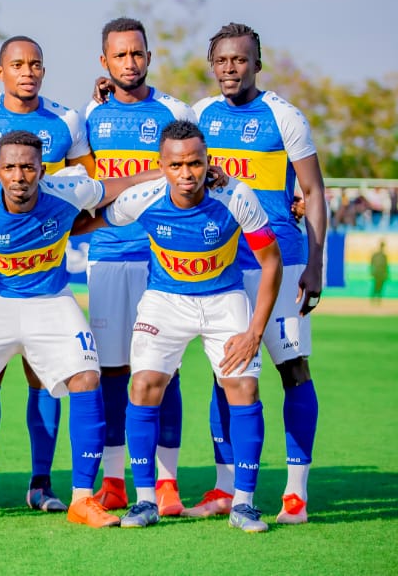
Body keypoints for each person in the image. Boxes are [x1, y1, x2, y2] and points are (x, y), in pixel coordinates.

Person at [0, 130, 160, 527]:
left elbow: (124, 183)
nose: (19, 176)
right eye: (10, 167)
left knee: (86, 376)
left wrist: (169, 172)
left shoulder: (69, 190)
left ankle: (82, 499)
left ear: (43, 170)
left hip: (51, 300)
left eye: (28, 167)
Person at [86, 121, 282, 533]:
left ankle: (243, 504)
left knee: (244, 387)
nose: (187, 174)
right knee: (142, 386)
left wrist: (254, 332)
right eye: (176, 165)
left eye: (195, 163)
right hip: (165, 302)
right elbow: (94, 221)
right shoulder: (143, 197)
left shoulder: (236, 196)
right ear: (162, 165)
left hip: (224, 300)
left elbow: (271, 262)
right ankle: (144, 501)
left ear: (208, 161)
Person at [191, 23, 326, 524]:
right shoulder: (200, 114)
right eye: (222, 60)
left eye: (240, 60)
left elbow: (312, 192)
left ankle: (295, 493)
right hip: (223, 267)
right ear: (213, 65)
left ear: (257, 63)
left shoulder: (285, 117)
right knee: (224, 374)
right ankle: (225, 488)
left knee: (293, 370)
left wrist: (314, 265)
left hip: (281, 262)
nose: (231, 68)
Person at [0, 36, 93, 512]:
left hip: (46, 273)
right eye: (17, 64)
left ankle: (42, 483)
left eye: (36, 63)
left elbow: (87, 186)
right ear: (1, 72)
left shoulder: (66, 121)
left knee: (44, 376)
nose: (28, 71)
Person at [84, 18, 198, 515]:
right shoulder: (92, 113)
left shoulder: (175, 111)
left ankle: (166, 482)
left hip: (162, 262)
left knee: (162, 372)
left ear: (149, 56)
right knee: (111, 372)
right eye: (120, 55)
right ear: (104, 62)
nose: (130, 63)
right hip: (107, 259)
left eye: (138, 54)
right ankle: (113, 479)